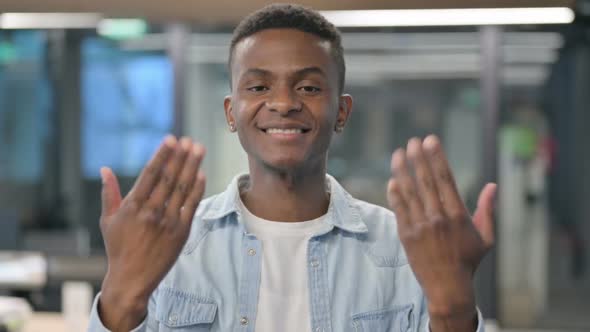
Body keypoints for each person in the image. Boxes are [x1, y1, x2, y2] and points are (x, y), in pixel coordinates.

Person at [88, 4, 496, 332]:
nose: (283, 102)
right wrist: (121, 296)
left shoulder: (403, 248)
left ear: (342, 111)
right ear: (232, 113)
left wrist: (453, 309)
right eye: (259, 86)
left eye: (309, 87)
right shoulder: (172, 244)